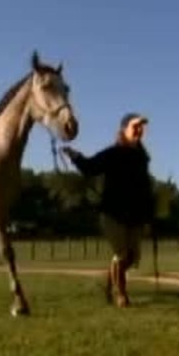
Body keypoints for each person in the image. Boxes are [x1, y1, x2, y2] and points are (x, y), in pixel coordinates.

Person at [61, 112, 156, 307]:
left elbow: (145, 188)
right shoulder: (113, 153)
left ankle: (111, 279)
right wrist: (75, 156)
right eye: (135, 126)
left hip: (135, 216)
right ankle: (121, 294)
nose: (139, 130)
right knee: (121, 255)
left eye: (141, 127)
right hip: (113, 213)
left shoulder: (142, 158)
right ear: (124, 130)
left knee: (132, 258)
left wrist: (148, 215)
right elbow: (90, 167)